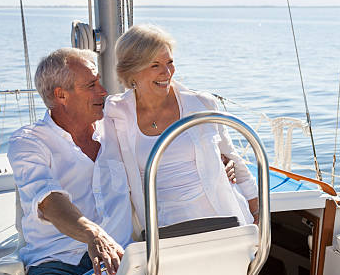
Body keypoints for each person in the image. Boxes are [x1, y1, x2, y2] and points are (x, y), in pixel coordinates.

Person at [8, 48, 132, 275]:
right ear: (61, 95)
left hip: (124, 259)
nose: (103, 91)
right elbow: (49, 202)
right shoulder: (29, 142)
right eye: (91, 85)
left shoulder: (117, 125)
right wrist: (93, 235)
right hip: (56, 263)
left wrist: (218, 162)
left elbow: (163, 114)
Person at [105, 24, 259, 239]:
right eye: (155, 65)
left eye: (170, 62)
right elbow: (112, 181)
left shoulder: (201, 104)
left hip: (221, 221)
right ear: (132, 71)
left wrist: (258, 214)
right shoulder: (116, 113)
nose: (167, 72)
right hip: (163, 232)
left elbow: (234, 159)